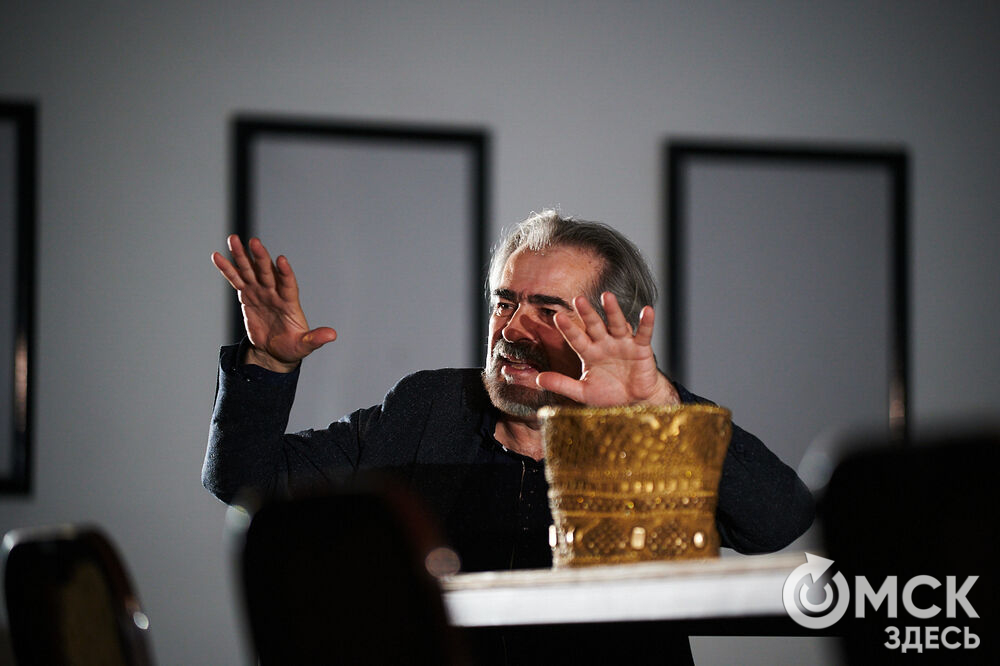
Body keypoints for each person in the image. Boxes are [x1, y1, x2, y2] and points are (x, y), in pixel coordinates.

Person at [204, 210, 814, 661]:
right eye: (505, 302)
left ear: (614, 329)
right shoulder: (427, 407)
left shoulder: (652, 434)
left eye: (548, 310)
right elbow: (248, 481)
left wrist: (661, 409)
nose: (513, 329)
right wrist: (269, 364)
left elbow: (779, 520)